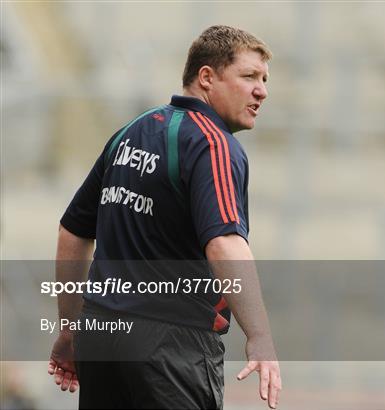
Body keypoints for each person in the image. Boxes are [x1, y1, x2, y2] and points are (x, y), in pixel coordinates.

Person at [47, 25, 281, 409]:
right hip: (171, 345)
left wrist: (71, 328)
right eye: (249, 77)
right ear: (207, 77)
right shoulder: (213, 144)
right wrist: (260, 337)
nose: (262, 91)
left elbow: (72, 231)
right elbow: (224, 242)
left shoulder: (130, 133)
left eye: (265, 80)